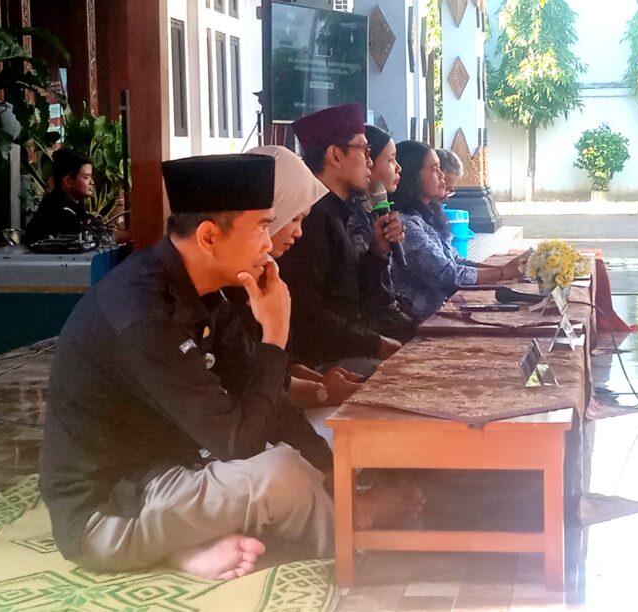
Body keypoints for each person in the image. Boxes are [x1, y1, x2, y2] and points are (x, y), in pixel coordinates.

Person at [40, 154, 417, 581]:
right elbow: (238, 442)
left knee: (300, 447)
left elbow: (256, 386)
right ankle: (348, 524)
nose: (268, 242)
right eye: (261, 227)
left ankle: (185, 548)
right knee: (282, 474)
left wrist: (329, 469)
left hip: (171, 471)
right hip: (107, 511)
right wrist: (275, 333)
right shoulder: (143, 312)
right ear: (208, 237)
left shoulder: (201, 292)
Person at [277, 104, 408, 375]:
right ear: (336, 156)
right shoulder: (309, 219)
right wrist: (377, 344)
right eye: (365, 151)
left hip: (353, 342)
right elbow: (307, 315)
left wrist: (378, 251)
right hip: (322, 360)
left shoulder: (342, 211)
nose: (370, 162)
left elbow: (353, 295)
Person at [243, 145, 363, 407]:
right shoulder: (234, 283)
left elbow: (284, 363)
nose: (299, 232)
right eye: (294, 218)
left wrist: (322, 383)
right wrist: (323, 391)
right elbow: (245, 376)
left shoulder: (268, 269)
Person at [390, 140, 525, 321]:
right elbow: (446, 274)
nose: (441, 176)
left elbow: (455, 260)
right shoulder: (405, 224)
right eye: (434, 169)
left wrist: (503, 270)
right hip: (423, 320)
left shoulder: (427, 215)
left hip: (443, 310)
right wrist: (501, 273)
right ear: (413, 175)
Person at [23, 148, 94, 246]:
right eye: (86, 177)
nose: (92, 182)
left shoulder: (77, 205)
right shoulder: (56, 209)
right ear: (68, 181)